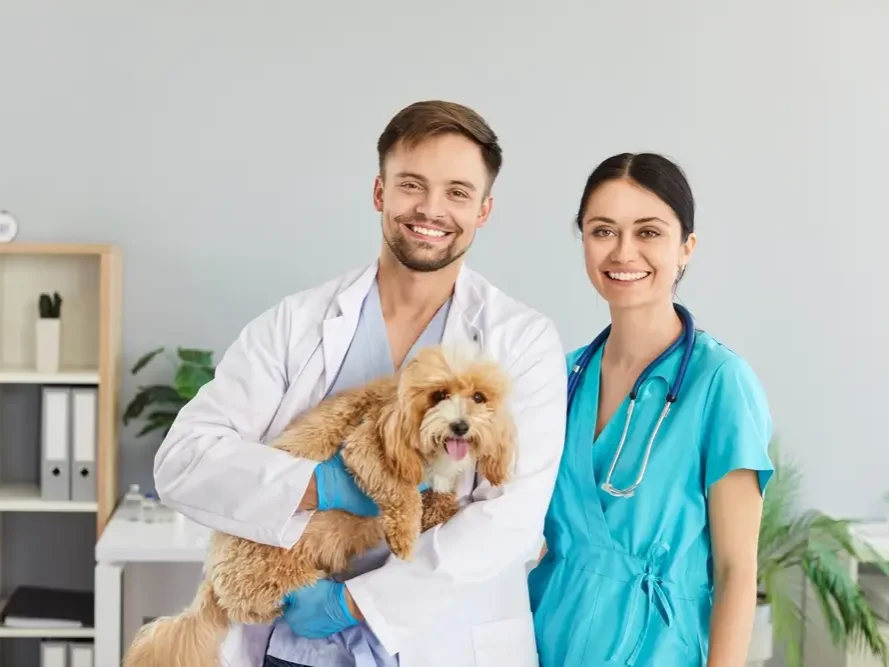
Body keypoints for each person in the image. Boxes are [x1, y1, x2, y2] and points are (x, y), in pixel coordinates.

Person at [153, 100, 567, 667]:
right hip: (294, 647)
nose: (431, 209)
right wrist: (320, 487)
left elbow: (513, 519)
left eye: (457, 192)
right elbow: (182, 460)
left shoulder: (521, 340)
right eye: (411, 185)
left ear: (484, 210)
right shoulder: (295, 325)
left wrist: (355, 601)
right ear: (380, 193)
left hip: (439, 641)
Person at [528, 152, 774, 667]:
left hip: (659, 648)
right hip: (544, 636)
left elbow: (735, 571)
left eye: (648, 232)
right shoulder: (560, 375)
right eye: (602, 231)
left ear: (686, 247)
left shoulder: (720, 383)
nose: (623, 252)